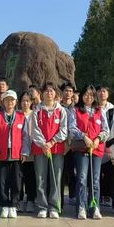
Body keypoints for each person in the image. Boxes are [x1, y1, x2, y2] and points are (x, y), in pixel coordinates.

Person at [0, 90, 30, 218]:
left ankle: (14, 205)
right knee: (2, 181)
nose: (9, 102)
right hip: (2, 154)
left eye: (12, 100)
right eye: (7, 100)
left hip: (17, 154)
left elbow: (25, 136)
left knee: (16, 181)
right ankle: (4, 205)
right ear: (3, 102)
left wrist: (25, 152)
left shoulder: (21, 117)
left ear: (16, 102)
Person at [28, 82, 68, 219]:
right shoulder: (37, 111)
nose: (49, 93)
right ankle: (42, 207)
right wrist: (44, 144)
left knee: (56, 178)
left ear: (55, 93)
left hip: (56, 148)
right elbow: (34, 130)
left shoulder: (61, 110)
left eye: (52, 91)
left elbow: (64, 130)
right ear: (42, 93)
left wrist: (52, 142)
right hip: (40, 149)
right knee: (40, 178)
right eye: (46, 91)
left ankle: (54, 207)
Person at [69, 85, 109, 220]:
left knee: (95, 179)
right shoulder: (75, 110)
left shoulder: (100, 111)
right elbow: (72, 127)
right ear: (82, 96)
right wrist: (84, 137)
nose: (89, 97)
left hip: (96, 149)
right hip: (81, 148)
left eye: (91, 95)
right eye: (86, 94)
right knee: (82, 178)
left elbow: (106, 129)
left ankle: (94, 206)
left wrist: (98, 139)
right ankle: (81, 207)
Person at [18, 91, 36, 213]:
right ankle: (19, 200)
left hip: (33, 151)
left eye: (27, 101)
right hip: (18, 151)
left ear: (31, 102)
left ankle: (30, 200)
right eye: (23, 100)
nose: (25, 103)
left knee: (31, 177)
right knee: (19, 177)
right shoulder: (16, 114)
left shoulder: (35, 114)